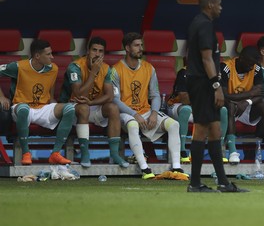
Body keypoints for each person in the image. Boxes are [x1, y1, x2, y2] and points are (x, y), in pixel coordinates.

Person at [187, 0, 248, 192]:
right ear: (210, 5)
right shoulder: (204, 25)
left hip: (202, 83)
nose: (221, 8)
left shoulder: (199, 22)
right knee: (202, 129)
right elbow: (206, 59)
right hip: (203, 84)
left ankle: (223, 183)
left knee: (215, 130)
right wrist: (216, 86)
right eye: (219, 4)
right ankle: (194, 183)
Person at [111, 32, 183, 179]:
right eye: (136, 45)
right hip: (126, 113)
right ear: (127, 48)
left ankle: (177, 167)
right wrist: (134, 114)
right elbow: (115, 100)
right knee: (132, 125)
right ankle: (144, 168)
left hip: (146, 111)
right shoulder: (115, 70)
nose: (140, 48)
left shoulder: (149, 68)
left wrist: (154, 113)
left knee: (174, 125)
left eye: (141, 45)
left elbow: (155, 95)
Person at [0, 39, 75, 165]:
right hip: (21, 107)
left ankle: (55, 154)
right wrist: (1, 96)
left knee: (69, 109)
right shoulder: (19, 66)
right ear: (37, 56)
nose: (52, 57)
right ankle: (26, 153)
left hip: (42, 108)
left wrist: (56, 106)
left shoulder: (53, 69)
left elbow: (49, 94)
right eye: (48, 54)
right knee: (23, 109)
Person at [59, 37, 129, 168]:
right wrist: (93, 74)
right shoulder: (75, 66)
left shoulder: (107, 68)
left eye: (101, 51)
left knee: (113, 108)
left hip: (92, 105)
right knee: (84, 108)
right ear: (87, 51)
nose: (97, 54)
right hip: (73, 107)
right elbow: (79, 94)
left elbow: (109, 95)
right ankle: (85, 153)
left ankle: (114, 154)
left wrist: (92, 102)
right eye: (94, 50)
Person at [219, 45, 264, 165]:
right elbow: (224, 95)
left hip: (245, 107)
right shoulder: (225, 67)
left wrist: (247, 102)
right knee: (229, 105)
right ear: (241, 58)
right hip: (227, 108)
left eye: (253, 64)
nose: (251, 67)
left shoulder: (256, 68)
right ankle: (232, 152)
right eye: (249, 63)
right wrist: (250, 94)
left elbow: (260, 93)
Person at [166, 64, 194, 163]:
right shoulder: (184, 72)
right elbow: (184, 99)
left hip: (196, 107)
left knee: (221, 111)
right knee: (186, 110)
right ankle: (182, 150)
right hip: (176, 105)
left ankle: (220, 152)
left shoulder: (210, 73)